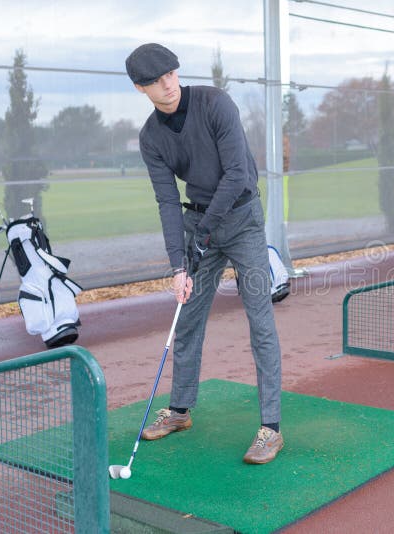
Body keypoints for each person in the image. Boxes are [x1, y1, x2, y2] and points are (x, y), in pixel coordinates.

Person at [125, 43, 283, 464]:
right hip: (199, 225)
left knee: (260, 319)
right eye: (157, 81)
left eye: (171, 74)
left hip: (242, 219)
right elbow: (166, 201)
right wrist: (178, 264)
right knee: (188, 317)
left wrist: (203, 234)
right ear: (141, 88)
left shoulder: (216, 104)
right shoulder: (151, 137)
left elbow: (236, 175)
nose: (168, 84)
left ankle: (271, 428)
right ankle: (180, 410)